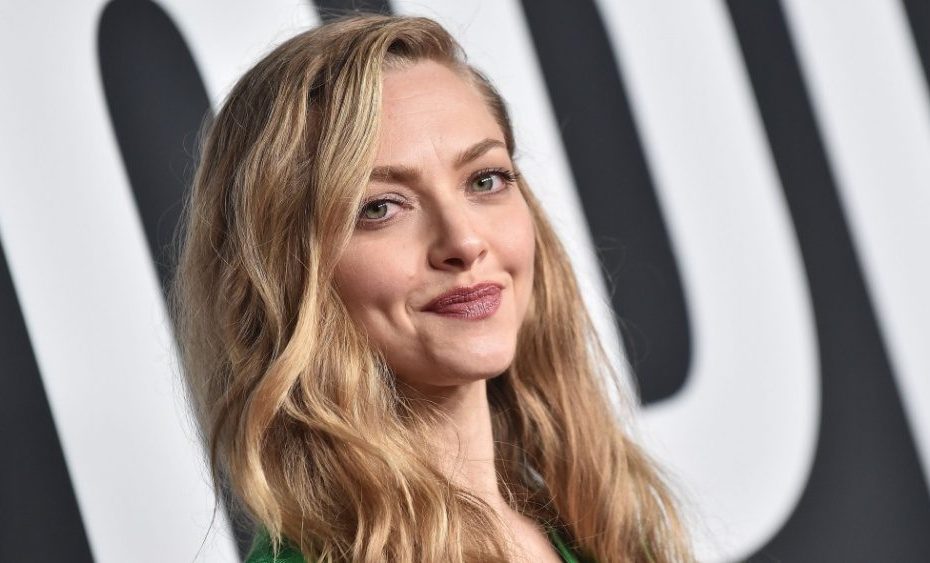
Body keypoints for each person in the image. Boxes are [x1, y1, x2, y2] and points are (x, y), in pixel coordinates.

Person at [171, 14, 693, 563]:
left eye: (485, 180)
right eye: (380, 207)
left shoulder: (591, 526)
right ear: (286, 271)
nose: (463, 241)